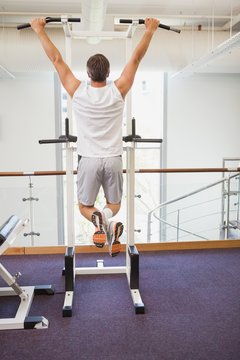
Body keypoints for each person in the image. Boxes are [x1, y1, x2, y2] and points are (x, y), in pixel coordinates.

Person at [30, 17, 160, 257]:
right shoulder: (118, 89)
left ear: (88, 73)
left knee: (84, 207)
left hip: (88, 159)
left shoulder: (77, 91)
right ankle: (107, 219)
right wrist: (149, 31)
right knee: (115, 205)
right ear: (108, 72)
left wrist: (39, 30)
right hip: (113, 158)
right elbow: (135, 59)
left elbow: (56, 59)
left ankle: (97, 219)